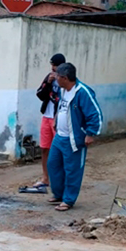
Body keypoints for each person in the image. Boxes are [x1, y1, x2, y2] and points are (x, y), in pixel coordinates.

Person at [47, 63, 103, 211]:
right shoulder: (63, 90)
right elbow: (62, 106)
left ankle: (68, 199)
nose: (55, 79)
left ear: (64, 78)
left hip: (74, 138)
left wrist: (90, 133)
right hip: (60, 136)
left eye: (57, 76)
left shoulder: (82, 92)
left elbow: (95, 114)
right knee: (53, 165)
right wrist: (56, 119)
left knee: (72, 169)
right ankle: (58, 194)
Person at [35, 53, 66, 188]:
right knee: (44, 148)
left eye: (55, 65)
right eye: (52, 65)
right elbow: (40, 94)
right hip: (46, 116)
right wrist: (48, 83)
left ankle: (59, 179)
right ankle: (45, 177)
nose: (53, 68)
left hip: (58, 119)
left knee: (58, 150)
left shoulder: (66, 79)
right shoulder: (49, 78)